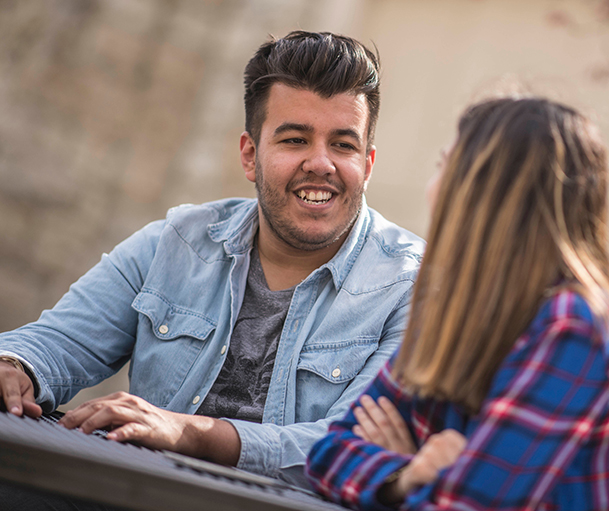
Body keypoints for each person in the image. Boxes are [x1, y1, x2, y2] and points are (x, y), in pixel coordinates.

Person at [0, 31, 424, 487]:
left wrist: (188, 432)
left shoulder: (412, 287)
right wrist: (16, 366)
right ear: (250, 155)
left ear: (369, 163)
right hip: (135, 495)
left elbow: (344, 449)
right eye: (295, 140)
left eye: (343, 145)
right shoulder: (176, 243)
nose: (321, 163)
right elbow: (60, 342)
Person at [305, 96, 609, 510]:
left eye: (443, 166)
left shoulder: (575, 327)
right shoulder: (453, 311)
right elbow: (328, 454)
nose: (433, 188)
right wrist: (406, 476)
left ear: (481, 192)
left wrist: (421, 475)